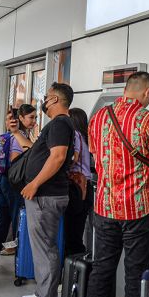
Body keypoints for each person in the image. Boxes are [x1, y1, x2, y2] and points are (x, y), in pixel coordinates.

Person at [86, 72, 149, 297]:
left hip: (105, 207)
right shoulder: (148, 120)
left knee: (102, 271)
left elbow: (95, 156)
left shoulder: (98, 118)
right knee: (136, 276)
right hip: (138, 209)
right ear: (146, 92)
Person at [18, 83, 75, 297]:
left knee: (45, 248)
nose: (43, 101)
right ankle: (44, 292)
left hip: (46, 195)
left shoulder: (61, 123)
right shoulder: (59, 124)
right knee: (42, 246)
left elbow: (58, 157)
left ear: (54, 100)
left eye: (46, 97)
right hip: (45, 194)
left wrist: (35, 183)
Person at [0, 104, 36, 271]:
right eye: (31, 117)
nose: (34, 121)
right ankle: (20, 267)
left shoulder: (12, 135)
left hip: (2, 180)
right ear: (21, 118)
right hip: (13, 183)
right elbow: (17, 159)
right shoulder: (19, 137)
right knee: (17, 224)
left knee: (1, 220)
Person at [64, 107, 93, 256]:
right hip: (86, 187)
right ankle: (77, 271)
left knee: (71, 235)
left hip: (76, 189)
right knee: (77, 231)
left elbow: (71, 161)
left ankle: (72, 272)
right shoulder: (85, 137)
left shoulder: (74, 136)